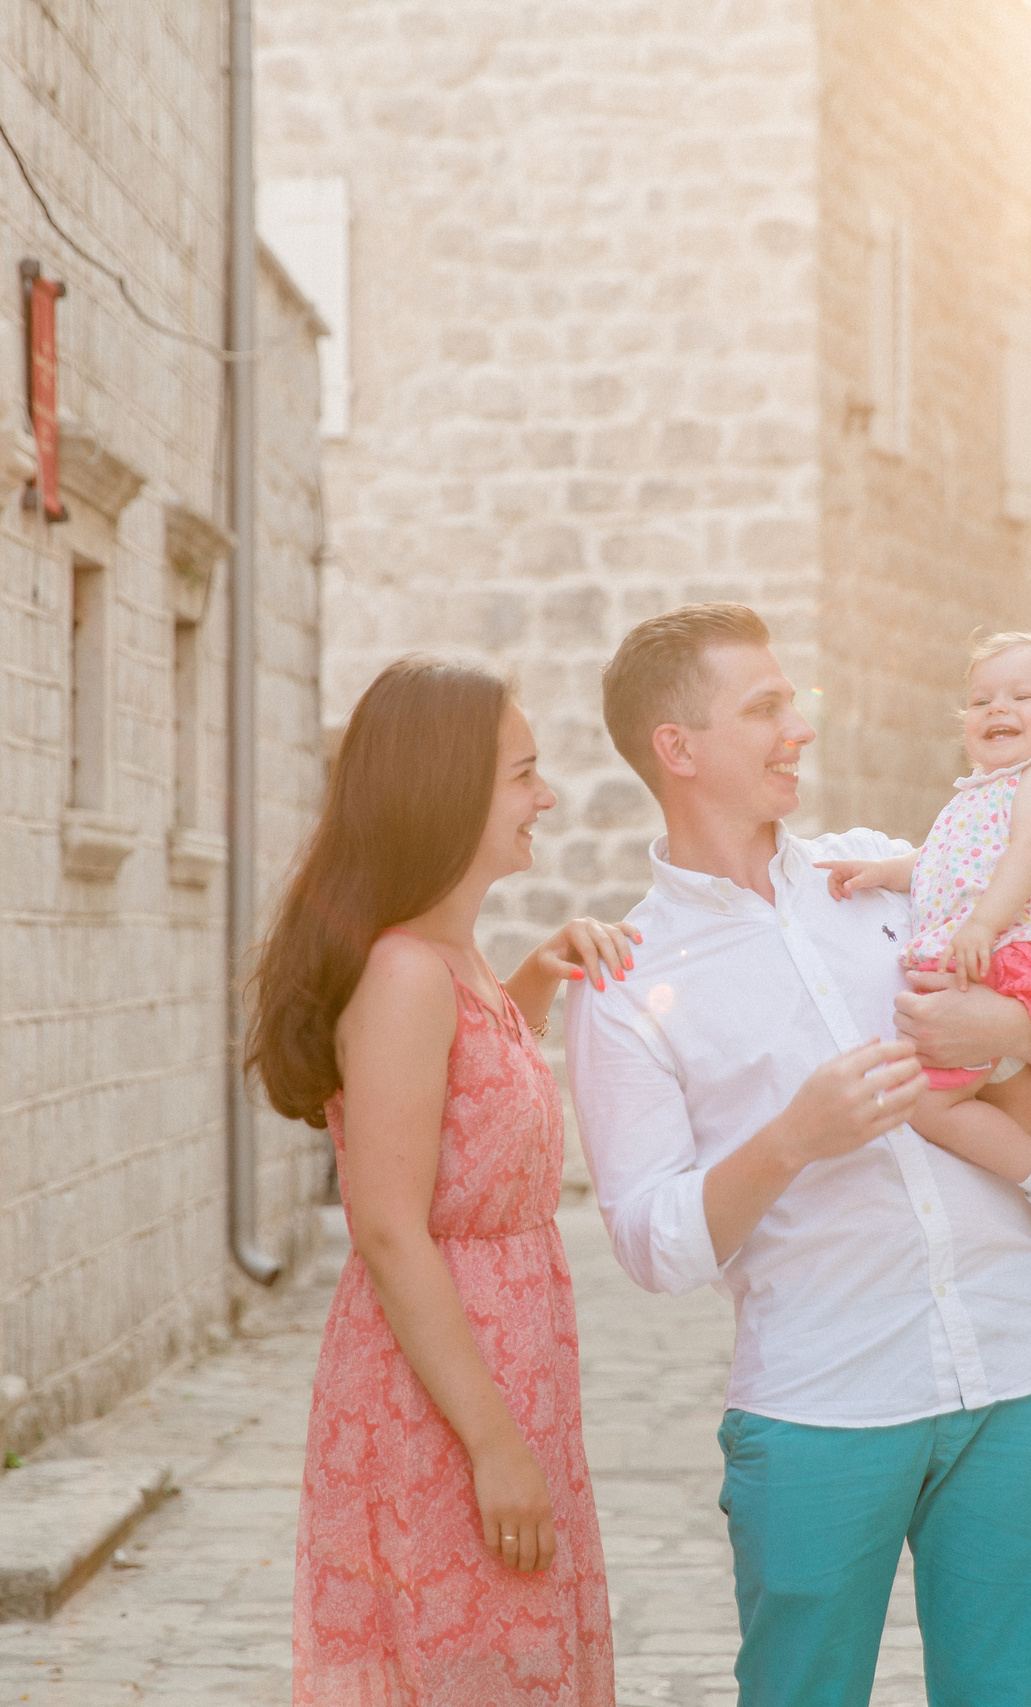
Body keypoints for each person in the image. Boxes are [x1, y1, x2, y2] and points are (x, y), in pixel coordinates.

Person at [565, 604, 1031, 1707]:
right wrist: (790, 1142)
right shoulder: (627, 982)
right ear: (677, 749)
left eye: (793, 703)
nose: (799, 730)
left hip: (1026, 1376)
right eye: (765, 708)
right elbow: (650, 1244)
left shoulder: (882, 869)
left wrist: (1010, 1033)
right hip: (821, 1410)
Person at [252, 655, 636, 1707]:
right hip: (441, 1399)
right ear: (447, 789)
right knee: (460, 1665)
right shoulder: (405, 974)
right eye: (525, 774)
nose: (547, 798)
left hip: (505, 1373)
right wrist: (494, 1445)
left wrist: (530, 983)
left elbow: (456, 1101)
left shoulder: (452, 958)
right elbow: (386, 1227)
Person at [814, 631, 1031, 1297]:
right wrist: (880, 871)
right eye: (980, 699)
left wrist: (981, 923)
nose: (995, 707)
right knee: (1017, 1127)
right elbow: (937, 863)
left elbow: (1029, 853)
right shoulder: (976, 794)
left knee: (930, 1105)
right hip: (982, 957)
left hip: (1001, 961)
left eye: (1020, 695)